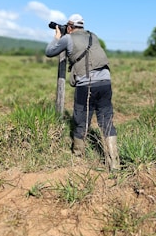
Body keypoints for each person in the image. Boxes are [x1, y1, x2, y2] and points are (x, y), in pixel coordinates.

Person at [45, 14, 120, 171]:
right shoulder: (93, 36)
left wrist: (58, 36)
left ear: (70, 27)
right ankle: (115, 163)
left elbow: (49, 51)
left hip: (86, 84)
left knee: (81, 118)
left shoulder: (67, 39)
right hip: (106, 82)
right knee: (106, 119)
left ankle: (78, 156)